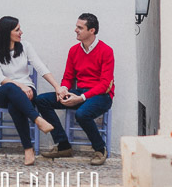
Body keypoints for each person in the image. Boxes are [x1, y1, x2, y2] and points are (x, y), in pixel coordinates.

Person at [34, 13, 114, 165]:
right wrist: (63, 89)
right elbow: (68, 77)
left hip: (102, 96)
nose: (75, 30)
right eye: (76, 27)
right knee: (41, 100)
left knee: (82, 114)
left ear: (92, 31)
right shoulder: (74, 51)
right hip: (80, 93)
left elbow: (105, 84)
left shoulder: (106, 51)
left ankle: (100, 149)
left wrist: (81, 98)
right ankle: (63, 145)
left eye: (80, 27)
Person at [0, 16, 60, 165]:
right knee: (10, 87)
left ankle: (28, 149)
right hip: (4, 91)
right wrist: (20, 85)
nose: (21, 32)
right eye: (17, 30)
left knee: (15, 106)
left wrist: (57, 87)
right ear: (7, 32)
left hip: (27, 90)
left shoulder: (25, 46)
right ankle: (37, 119)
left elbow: (40, 67)